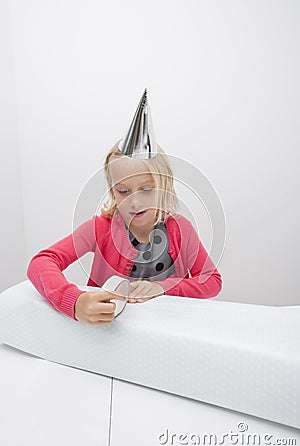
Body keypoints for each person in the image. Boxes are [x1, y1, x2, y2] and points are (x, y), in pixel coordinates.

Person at [27, 90, 222, 326]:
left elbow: (211, 281)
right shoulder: (99, 229)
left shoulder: (181, 229)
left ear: (164, 187)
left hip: (170, 329)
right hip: (110, 332)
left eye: (146, 189)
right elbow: (41, 261)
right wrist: (75, 302)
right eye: (123, 191)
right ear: (112, 191)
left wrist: (161, 287)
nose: (135, 202)